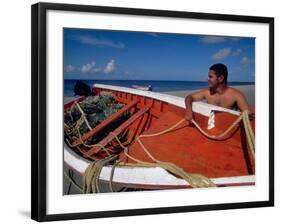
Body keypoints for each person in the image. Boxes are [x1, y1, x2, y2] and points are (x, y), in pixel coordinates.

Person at [185, 63, 254, 124]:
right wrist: (188, 110)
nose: (207, 79)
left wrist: (248, 115)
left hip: (228, 127)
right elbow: (189, 97)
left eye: (210, 77)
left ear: (220, 78)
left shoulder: (236, 95)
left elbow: (247, 113)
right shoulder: (207, 92)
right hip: (213, 125)